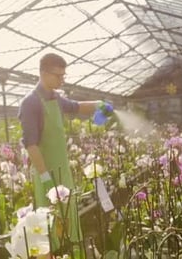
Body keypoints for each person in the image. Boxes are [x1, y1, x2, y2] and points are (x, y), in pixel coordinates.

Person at [18, 53, 113, 257]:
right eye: (58, 76)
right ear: (43, 73)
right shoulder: (31, 103)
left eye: (64, 75)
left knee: (70, 221)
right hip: (47, 173)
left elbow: (76, 107)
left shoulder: (55, 98)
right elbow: (31, 145)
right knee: (48, 224)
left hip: (63, 171)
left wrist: (99, 104)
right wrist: (45, 178)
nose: (62, 80)